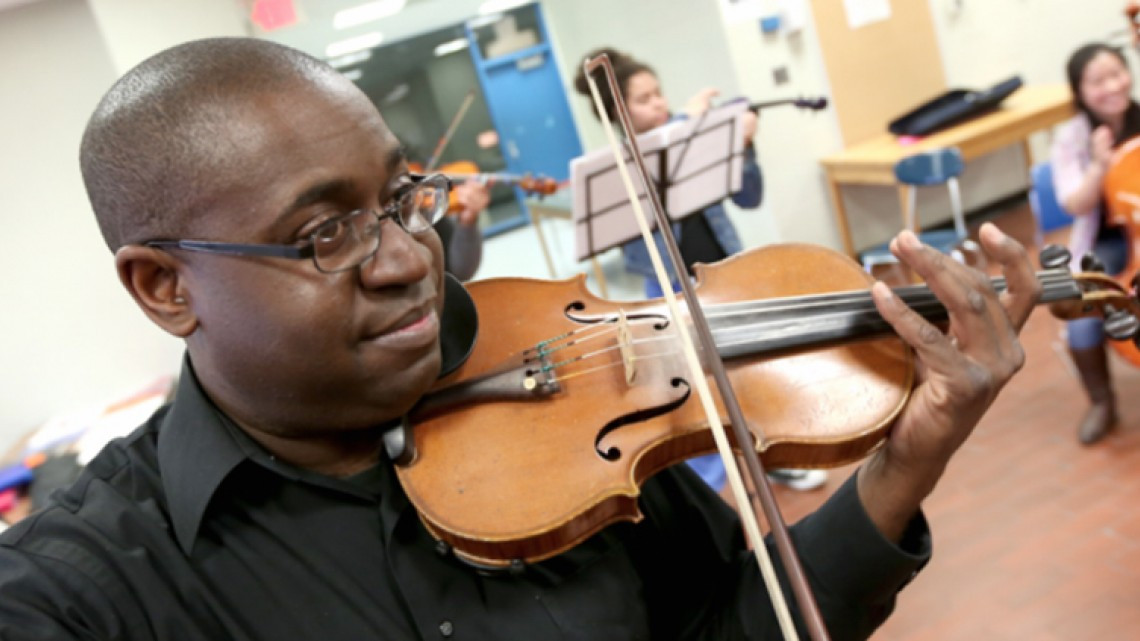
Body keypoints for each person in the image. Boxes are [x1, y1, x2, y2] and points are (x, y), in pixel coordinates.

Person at [0, 37, 1040, 640]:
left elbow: (735, 621)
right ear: (164, 285)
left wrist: (913, 454)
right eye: (325, 234)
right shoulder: (94, 585)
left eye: (402, 197)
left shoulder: (559, 382)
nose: (411, 255)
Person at [573, 48, 827, 492]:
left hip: (723, 270)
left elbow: (749, 199)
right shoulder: (621, 165)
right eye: (644, 99)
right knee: (699, 389)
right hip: (670, 285)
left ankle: (773, 457)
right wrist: (686, 125)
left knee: (750, 370)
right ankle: (708, 485)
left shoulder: (691, 142)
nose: (658, 104)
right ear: (620, 112)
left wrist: (743, 146)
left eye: (659, 94)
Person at [1049, 42, 1140, 444]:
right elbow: (1073, 202)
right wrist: (1101, 165)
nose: (1112, 86)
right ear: (1080, 92)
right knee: (1083, 309)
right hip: (1106, 243)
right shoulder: (1072, 139)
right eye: (1097, 81)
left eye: (1116, 73)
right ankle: (1102, 402)